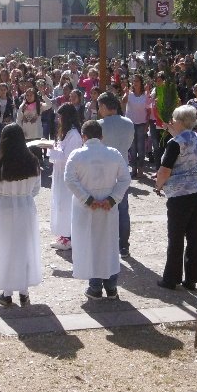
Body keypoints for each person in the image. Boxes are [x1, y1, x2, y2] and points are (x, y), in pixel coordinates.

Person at [64, 120, 131, 299]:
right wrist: (112, 198)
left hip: (86, 207)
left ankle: (95, 287)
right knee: (108, 244)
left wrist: (87, 199)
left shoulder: (76, 155)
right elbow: (125, 179)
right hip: (108, 207)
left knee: (90, 244)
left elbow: (69, 179)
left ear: (84, 137)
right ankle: (111, 286)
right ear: (102, 137)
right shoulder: (114, 154)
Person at [155, 104, 197, 290]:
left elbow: (165, 170)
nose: (172, 122)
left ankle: (171, 278)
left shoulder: (174, 143)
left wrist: (158, 185)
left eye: (174, 119)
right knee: (194, 235)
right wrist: (174, 132)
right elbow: (185, 146)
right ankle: (191, 278)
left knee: (176, 236)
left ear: (181, 121)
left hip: (181, 193)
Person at [0, 123, 42, 307]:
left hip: (5, 208)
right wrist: (24, 197)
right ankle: (24, 292)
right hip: (26, 207)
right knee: (25, 248)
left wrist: (3, 204)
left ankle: (7, 292)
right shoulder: (33, 161)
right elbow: (36, 188)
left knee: (7, 250)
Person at [97, 91, 135, 257]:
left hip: (105, 170)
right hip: (123, 167)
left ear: (104, 106)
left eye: (99, 107)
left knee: (104, 206)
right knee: (123, 208)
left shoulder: (99, 125)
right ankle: (124, 245)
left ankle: (107, 242)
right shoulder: (128, 122)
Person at [48, 103, 82, 248]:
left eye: (60, 117)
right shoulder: (67, 133)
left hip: (67, 174)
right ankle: (63, 234)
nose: (58, 120)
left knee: (66, 205)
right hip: (59, 172)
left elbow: (68, 157)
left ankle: (69, 237)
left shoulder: (74, 135)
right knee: (60, 204)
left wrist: (50, 150)